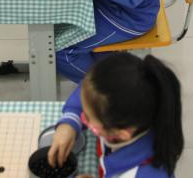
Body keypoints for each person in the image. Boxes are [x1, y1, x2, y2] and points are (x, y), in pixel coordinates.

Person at [48, 53, 183, 177]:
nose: (82, 117)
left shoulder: (146, 174)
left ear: (120, 134)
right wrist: (69, 123)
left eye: (87, 119)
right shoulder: (129, 102)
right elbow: (89, 94)